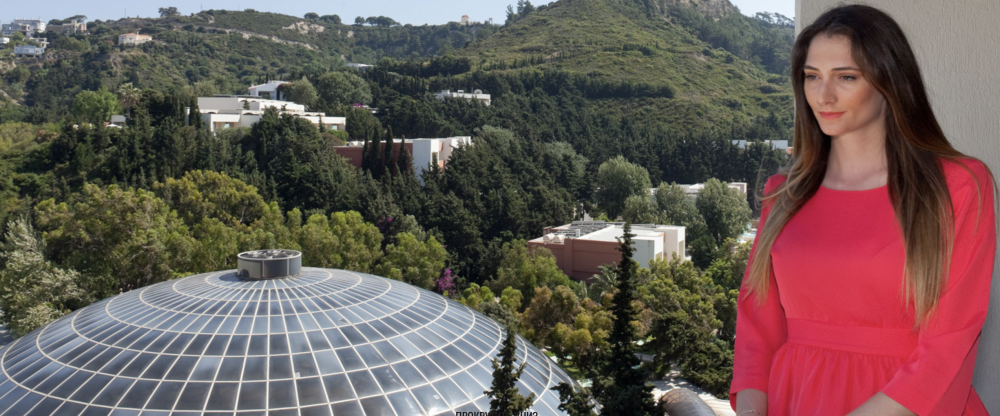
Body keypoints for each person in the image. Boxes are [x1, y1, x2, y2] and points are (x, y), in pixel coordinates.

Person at [729, 5, 996, 416]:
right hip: (796, 401)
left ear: (890, 82)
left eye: (846, 77)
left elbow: (951, 340)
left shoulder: (958, 186)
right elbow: (755, 333)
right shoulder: (782, 195)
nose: (823, 96)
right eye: (812, 77)